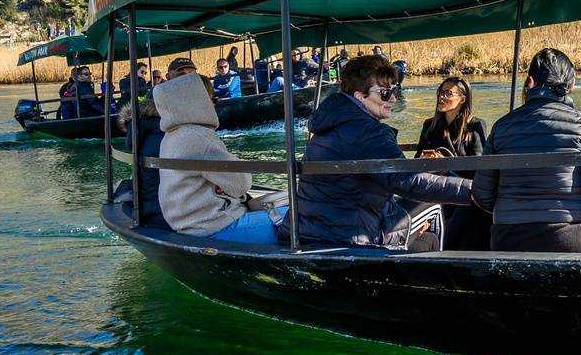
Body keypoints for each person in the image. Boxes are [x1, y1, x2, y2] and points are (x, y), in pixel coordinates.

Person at [295, 54, 473, 248]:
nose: (393, 98)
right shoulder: (369, 131)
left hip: (309, 228)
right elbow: (407, 181)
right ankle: (443, 264)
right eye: (385, 93)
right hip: (353, 235)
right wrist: (473, 190)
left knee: (422, 233)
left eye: (394, 90)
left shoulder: (327, 125)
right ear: (359, 96)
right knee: (434, 206)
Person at [474, 49, 581, 253]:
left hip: (507, 237)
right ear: (571, 85)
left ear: (530, 81)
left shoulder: (501, 127)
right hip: (569, 236)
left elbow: (481, 193)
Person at [152, 64, 289, 243]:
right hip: (219, 226)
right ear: (196, 101)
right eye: (211, 99)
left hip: (189, 225)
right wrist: (224, 184)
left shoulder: (171, 136)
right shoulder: (199, 137)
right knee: (305, 217)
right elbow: (242, 183)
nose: (213, 104)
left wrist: (221, 184)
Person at [417, 76, 491, 250]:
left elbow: (480, 170)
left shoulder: (476, 126)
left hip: (463, 195)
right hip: (434, 193)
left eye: (448, 93)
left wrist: (446, 165)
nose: (442, 96)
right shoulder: (429, 126)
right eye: (440, 92)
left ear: (462, 99)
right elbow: (416, 162)